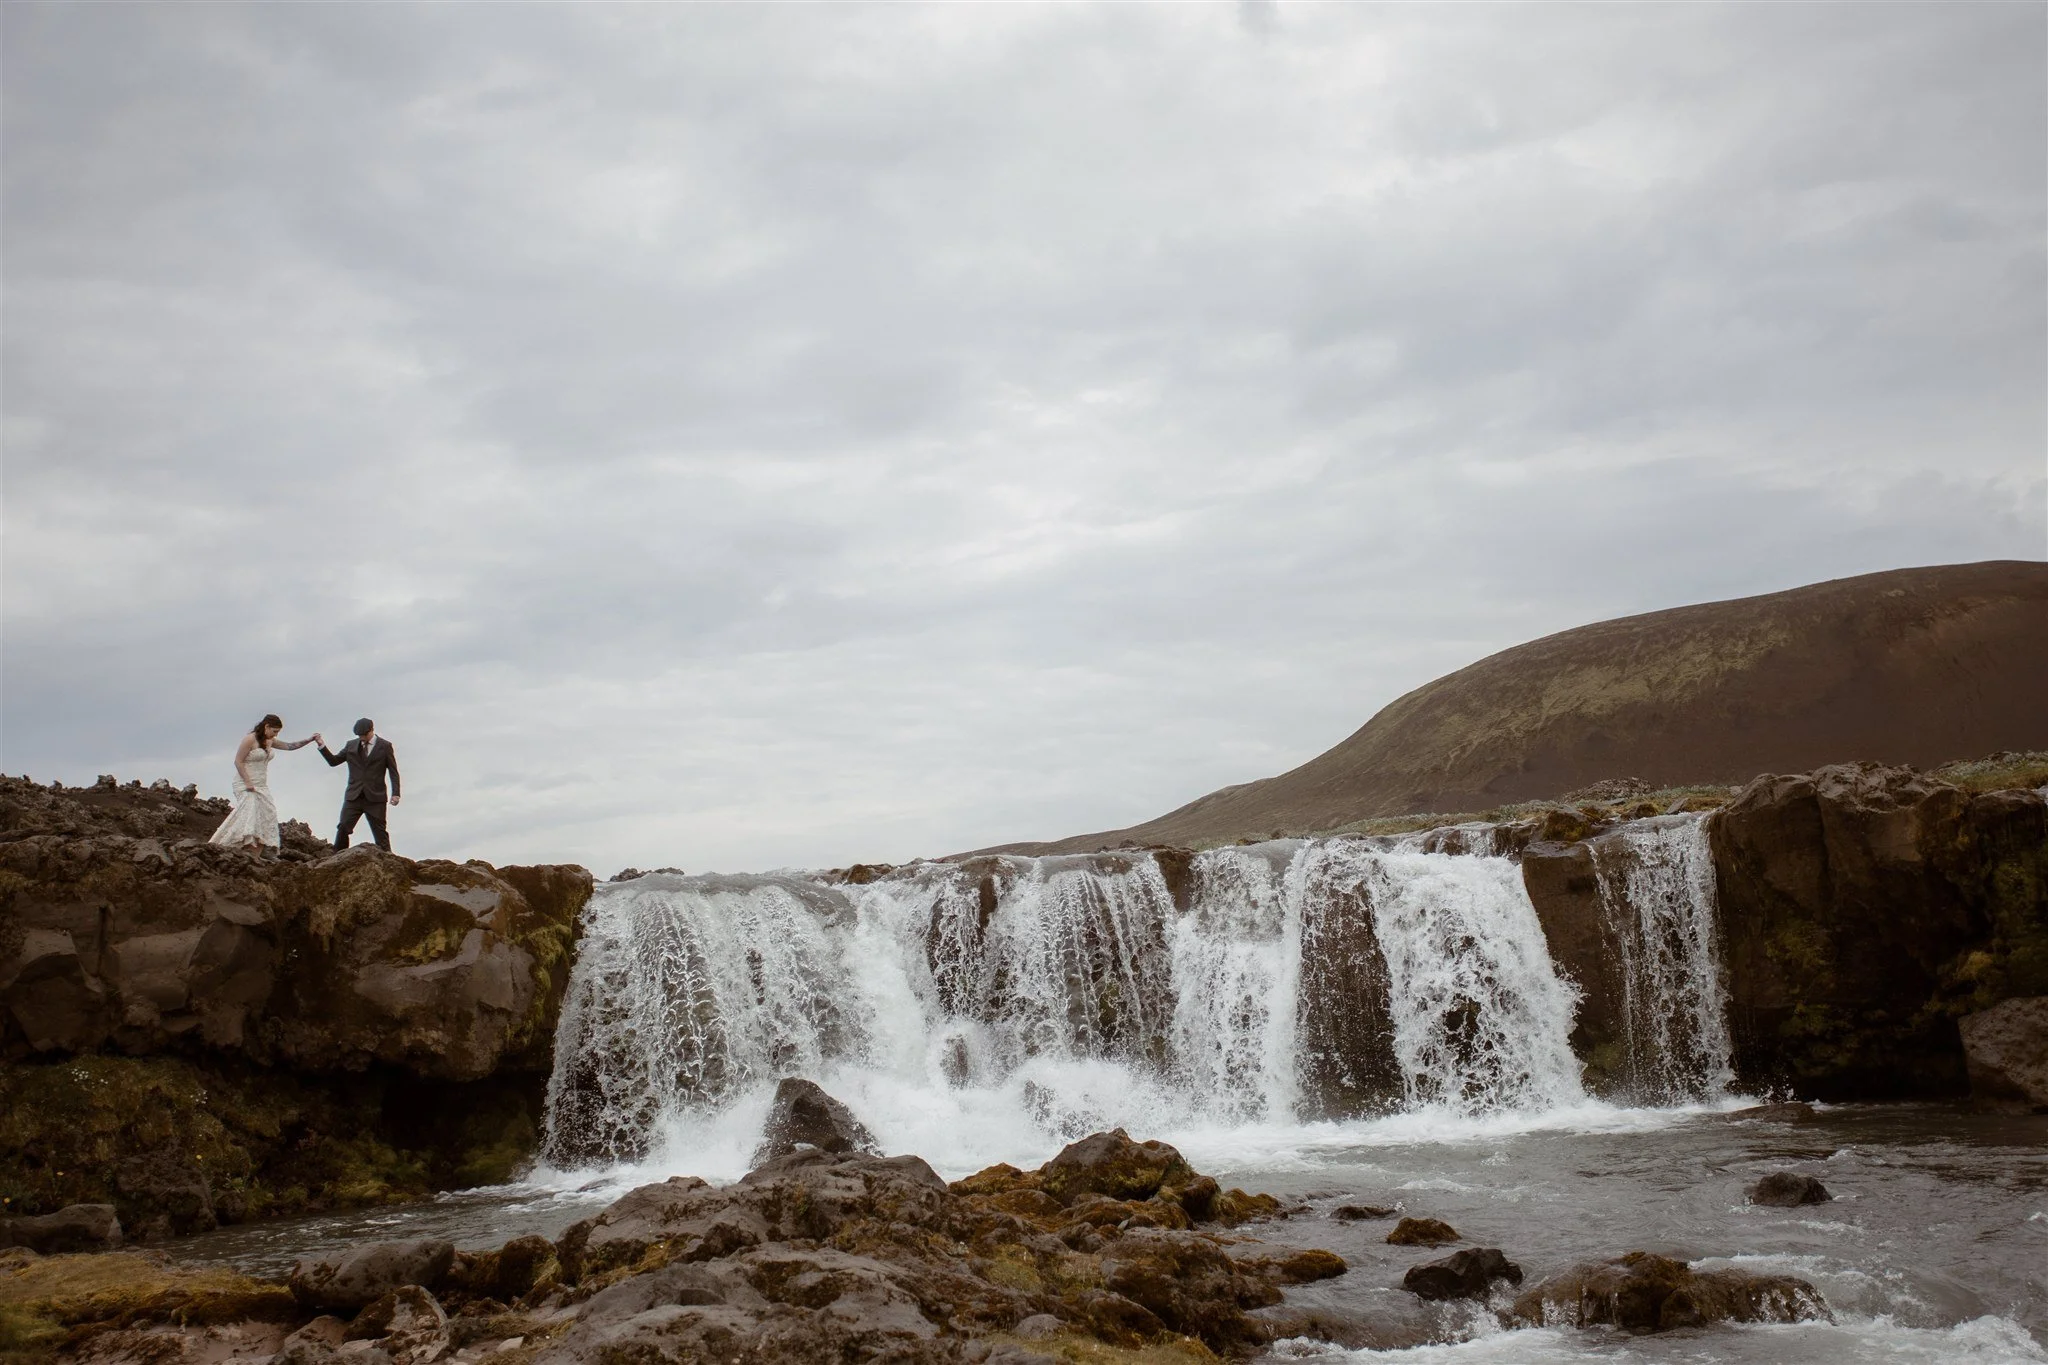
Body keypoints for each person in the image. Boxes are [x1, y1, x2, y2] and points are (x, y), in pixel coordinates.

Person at [208, 714, 321, 856]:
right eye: (274, 731)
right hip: (245, 783)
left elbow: (290, 746)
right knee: (250, 813)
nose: (276, 735)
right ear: (266, 726)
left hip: (261, 785)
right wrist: (248, 782)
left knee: (267, 815)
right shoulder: (250, 739)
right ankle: (225, 845)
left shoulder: (270, 741)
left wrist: (309, 740)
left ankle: (256, 854)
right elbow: (238, 761)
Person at [319, 718, 401, 852]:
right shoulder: (350, 745)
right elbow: (334, 761)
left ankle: (389, 858)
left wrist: (396, 794)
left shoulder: (385, 746)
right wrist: (321, 745)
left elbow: (393, 771)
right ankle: (337, 856)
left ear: (371, 730)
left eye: (364, 735)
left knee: (380, 833)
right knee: (343, 827)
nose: (362, 738)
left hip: (376, 798)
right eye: (359, 735)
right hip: (354, 796)